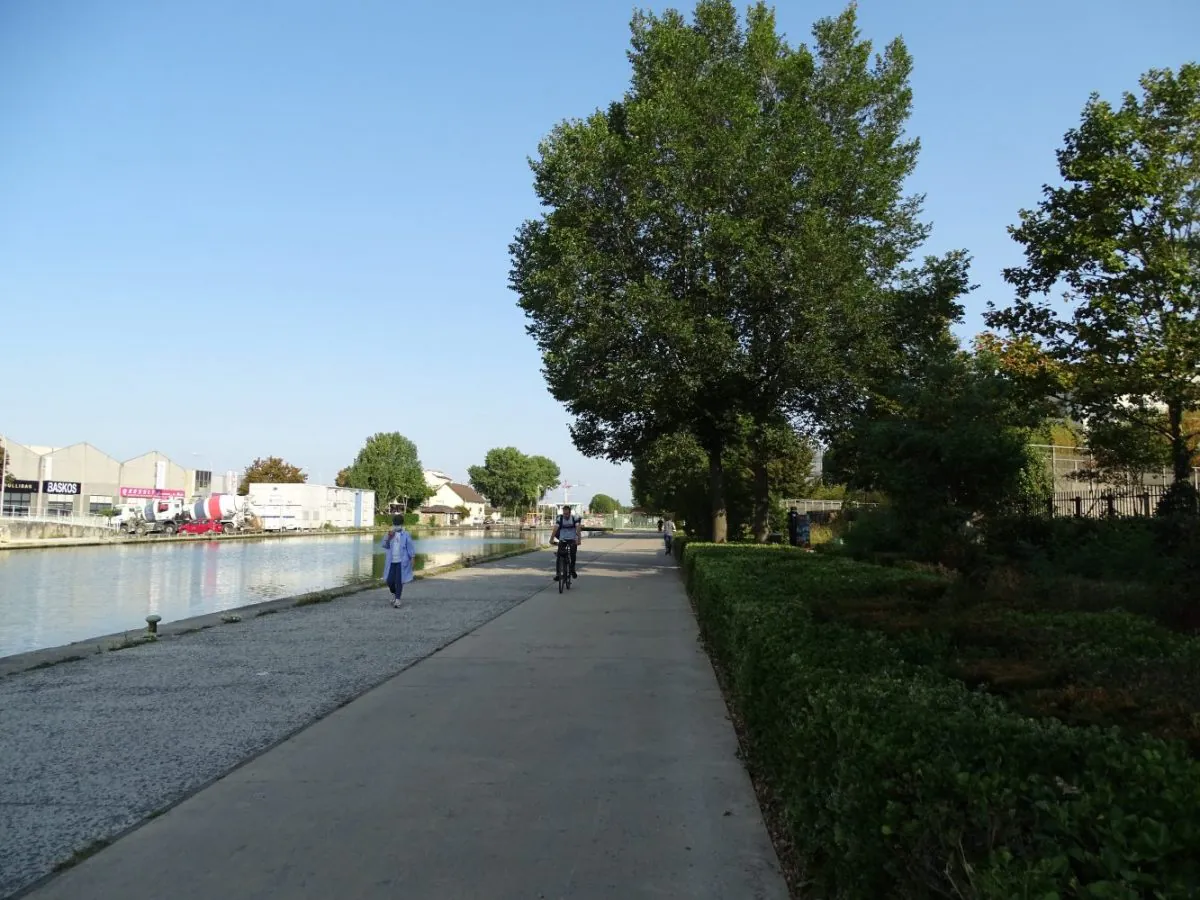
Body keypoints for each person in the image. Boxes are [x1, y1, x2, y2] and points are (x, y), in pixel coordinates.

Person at [382, 514, 416, 609]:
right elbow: (384, 545)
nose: (397, 526)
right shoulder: (390, 533)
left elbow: (410, 547)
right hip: (391, 561)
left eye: (398, 524)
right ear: (393, 524)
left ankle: (398, 600)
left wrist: (412, 558)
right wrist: (389, 537)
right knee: (389, 581)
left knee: (399, 581)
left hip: (402, 561)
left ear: (401, 524)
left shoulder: (406, 534)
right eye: (395, 524)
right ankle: (394, 593)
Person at [551, 504, 581, 580]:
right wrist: (551, 538)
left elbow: (578, 528)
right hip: (563, 539)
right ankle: (558, 574)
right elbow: (555, 529)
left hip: (572, 539)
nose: (565, 515)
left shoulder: (574, 518)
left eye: (567, 514)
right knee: (559, 555)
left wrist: (579, 539)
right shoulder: (560, 518)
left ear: (570, 513)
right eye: (564, 514)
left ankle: (572, 570)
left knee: (573, 554)